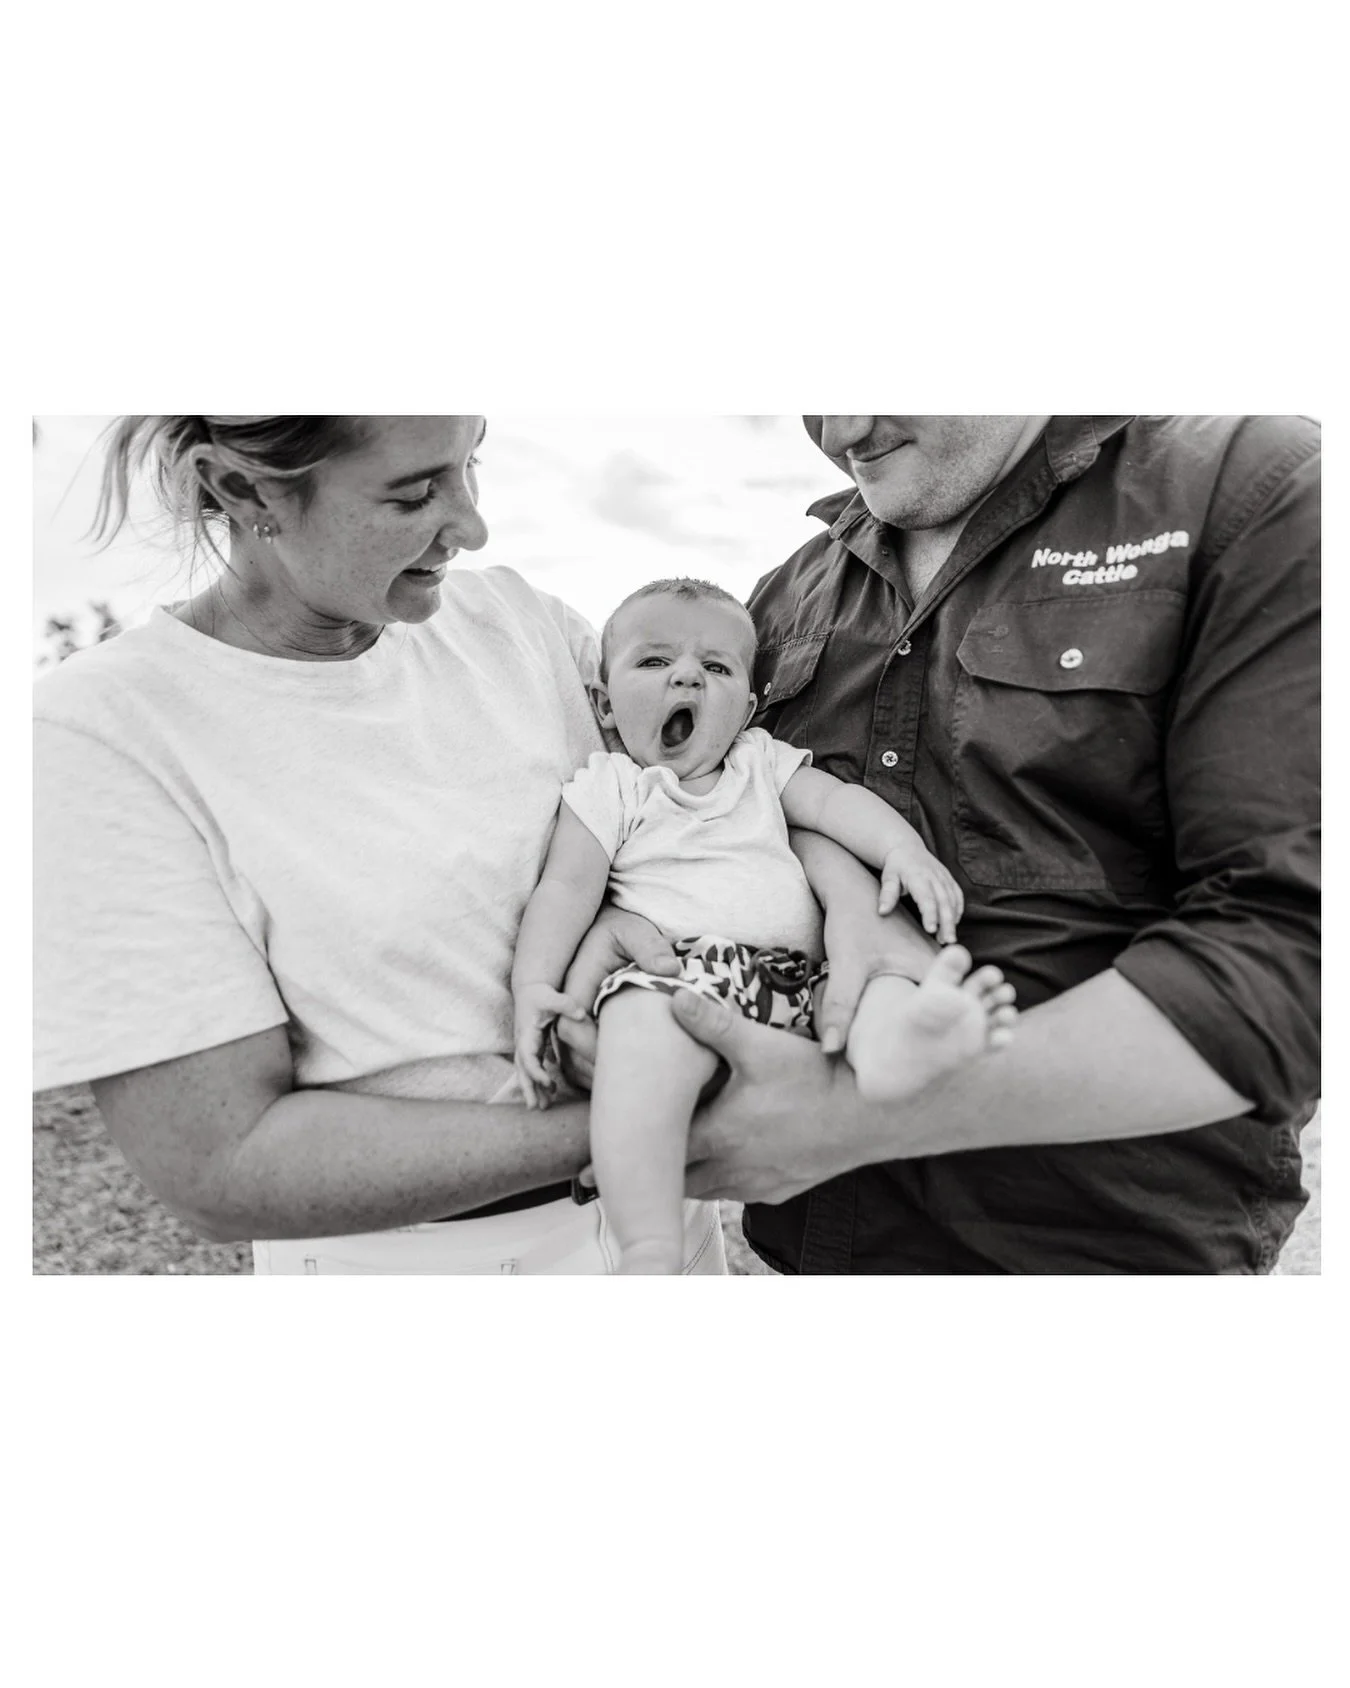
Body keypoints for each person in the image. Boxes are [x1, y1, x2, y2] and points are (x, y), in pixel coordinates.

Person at [35, 415, 748, 1275]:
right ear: (242, 489)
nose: (473, 525)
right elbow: (220, 1165)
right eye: (415, 492)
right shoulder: (107, 729)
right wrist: (670, 1120)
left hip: (674, 1231)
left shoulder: (525, 625)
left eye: (469, 464)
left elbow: (722, 804)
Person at [611, 416, 1319, 1274]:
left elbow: (1292, 959)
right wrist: (838, 884)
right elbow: (735, 800)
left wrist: (852, 1121)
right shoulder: (778, 600)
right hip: (801, 1263)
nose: (843, 428)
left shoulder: (1254, 484)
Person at [510, 576, 1015, 1273]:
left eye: (714, 667)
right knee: (637, 1059)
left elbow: (836, 804)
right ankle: (650, 1243)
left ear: (746, 707)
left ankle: (904, 1047)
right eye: (654, 662)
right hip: (679, 979)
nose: (686, 673)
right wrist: (535, 983)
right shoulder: (611, 787)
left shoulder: (758, 762)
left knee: (877, 984)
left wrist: (902, 849)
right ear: (602, 702)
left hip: (803, 980)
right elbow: (565, 887)